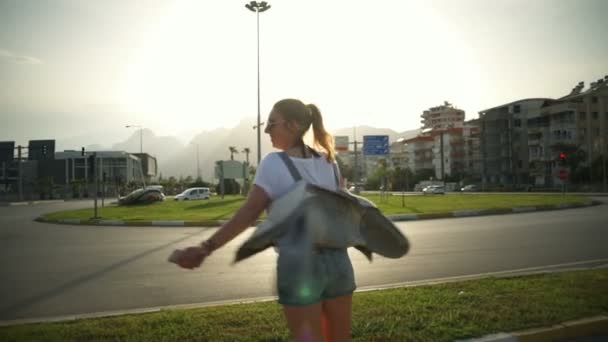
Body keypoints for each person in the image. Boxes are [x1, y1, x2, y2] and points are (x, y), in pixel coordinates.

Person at [174, 98, 355, 341]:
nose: (267, 130)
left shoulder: (273, 163)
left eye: (272, 124)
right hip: (339, 263)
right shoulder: (329, 162)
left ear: (292, 125)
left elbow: (248, 214)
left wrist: (206, 247)